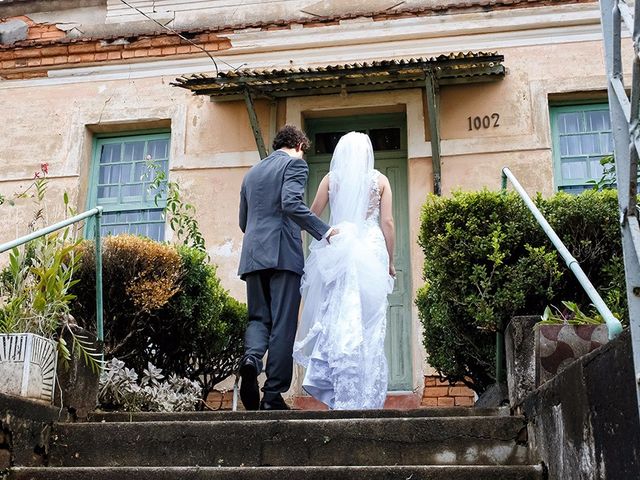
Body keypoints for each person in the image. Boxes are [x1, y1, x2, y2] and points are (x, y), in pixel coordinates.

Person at [293, 131, 396, 410]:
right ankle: (364, 396)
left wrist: (316, 242)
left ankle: (340, 394)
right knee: (368, 324)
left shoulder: (330, 180)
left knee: (338, 318)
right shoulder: (380, 181)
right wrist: (389, 261)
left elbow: (310, 216)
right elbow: (387, 223)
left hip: (339, 248)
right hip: (371, 252)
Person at [238, 124, 337, 411]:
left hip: (254, 256)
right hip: (283, 255)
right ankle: (272, 396)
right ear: (299, 146)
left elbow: (244, 222)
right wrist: (325, 231)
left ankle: (251, 359)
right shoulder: (294, 165)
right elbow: (291, 203)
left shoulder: (251, 173)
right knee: (283, 324)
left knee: (258, 319)